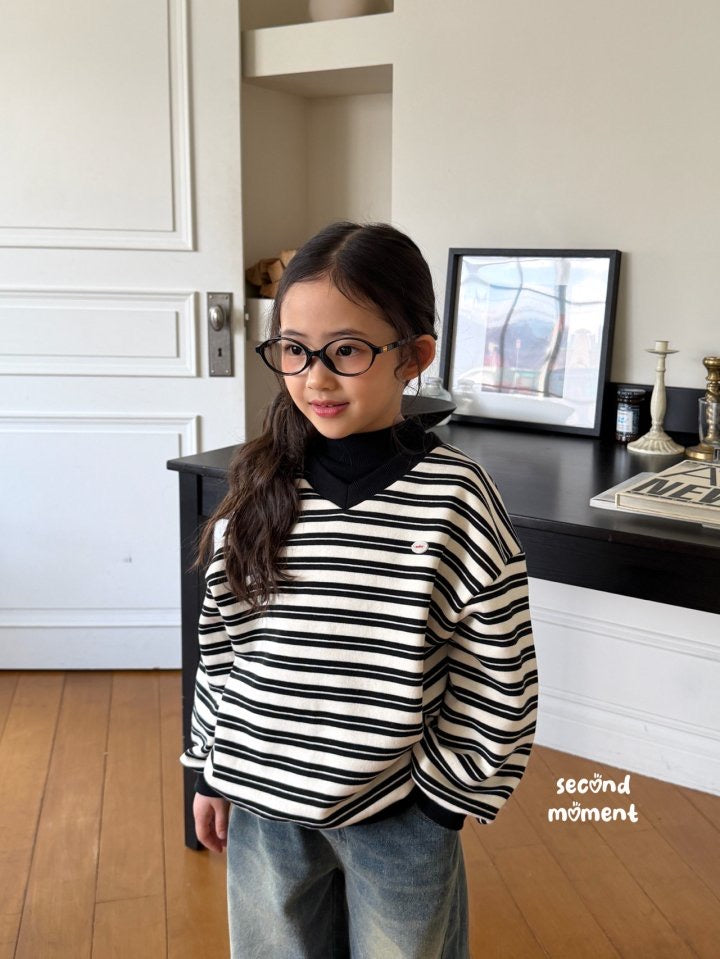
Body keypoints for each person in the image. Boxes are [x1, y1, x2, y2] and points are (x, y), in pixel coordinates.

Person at [180, 221, 538, 959]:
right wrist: (206, 769)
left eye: (346, 350)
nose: (314, 378)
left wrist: (444, 801)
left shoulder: (457, 498)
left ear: (415, 356)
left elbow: (499, 670)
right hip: (262, 808)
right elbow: (221, 648)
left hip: (400, 816)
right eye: (293, 349)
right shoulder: (256, 486)